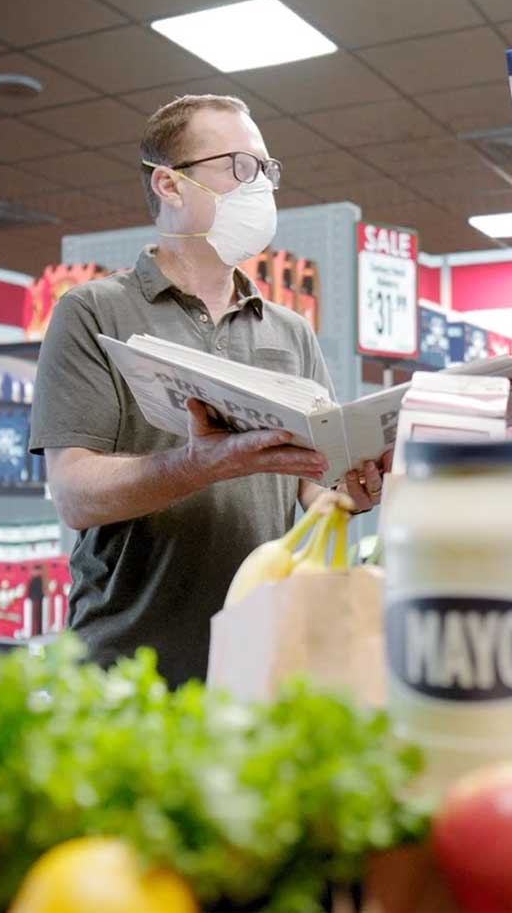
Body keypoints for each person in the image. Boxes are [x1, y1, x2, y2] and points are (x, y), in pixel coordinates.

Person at [29, 94, 387, 686]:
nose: (262, 187)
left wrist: (353, 488)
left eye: (267, 170)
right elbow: (75, 494)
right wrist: (199, 465)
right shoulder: (93, 312)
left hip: (267, 656)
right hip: (129, 664)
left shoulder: (290, 331)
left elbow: (312, 489)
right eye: (241, 168)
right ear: (170, 186)